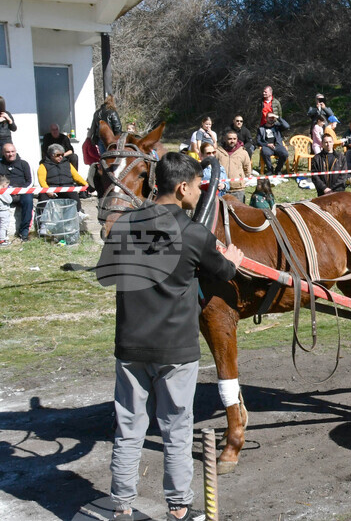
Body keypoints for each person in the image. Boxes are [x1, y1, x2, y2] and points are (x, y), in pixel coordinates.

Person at [96, 151, 243, 521]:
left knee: (128, 427)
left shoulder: (126, 225)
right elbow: (223, 272)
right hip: (176, 348)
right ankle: (178, 509)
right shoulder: (194, 233)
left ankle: (122, 507)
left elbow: (106, 274)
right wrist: (235, 261)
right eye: (196, 185)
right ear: (181, 188)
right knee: (176, 428)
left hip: (130, 342)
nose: (199, 190)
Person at [0, 143, 34, 241]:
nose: (10, 154)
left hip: (21, 192)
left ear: (16, 151)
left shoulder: (24, 163)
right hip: (4, 193)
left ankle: (24, 231)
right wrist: (3, 189)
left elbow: (30, 181)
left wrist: (19, 190)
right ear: (3, 153)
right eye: (8, 152)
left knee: (28, 200)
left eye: (12, 151)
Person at [37, 143, 88, 215]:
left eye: (62, 155)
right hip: (51, 188)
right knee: (43, 198)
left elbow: (76, 176)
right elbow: (41, 180)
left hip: (67, 187)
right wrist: (47, 190)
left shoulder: (67, 163)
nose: (60, 157)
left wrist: (85, 184)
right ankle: (43, 219)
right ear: (51, 155)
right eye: (58, 155)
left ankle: (79, 213)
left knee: (74, 195)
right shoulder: (43, 165)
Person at [220, 130, 252, 202]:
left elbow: (247, 169)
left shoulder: (243, 152)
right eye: (230, 139)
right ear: (225, 139)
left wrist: (242, 180)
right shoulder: (218, 152)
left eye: (234, 139)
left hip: (238, 189)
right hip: (222, 188)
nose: (232, 141)